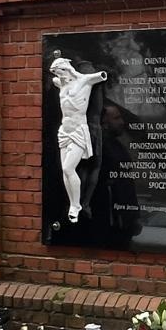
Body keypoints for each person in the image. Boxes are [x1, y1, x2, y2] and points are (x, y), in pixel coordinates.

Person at [49, 57, 106, 222]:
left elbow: (101, 75)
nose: (57, 75)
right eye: (55, 73)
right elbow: (53, 80)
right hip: (64, 131)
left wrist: (82, 72)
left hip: (78, 130)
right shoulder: (61, 83)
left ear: (66, 68)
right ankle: (73, 204)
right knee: (64, 172)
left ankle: (77, 205)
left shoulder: (84, 80)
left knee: (68, 168)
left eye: (59, 71)